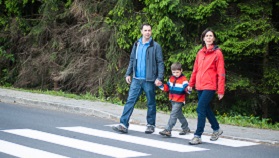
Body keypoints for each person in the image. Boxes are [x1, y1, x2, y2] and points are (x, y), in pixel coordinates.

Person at [112, 23, 164, 134]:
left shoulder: (155, 46)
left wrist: (159, 77)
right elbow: (132, 60)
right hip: (136, 79)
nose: (147, 32)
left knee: (151, 102)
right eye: (145, 30)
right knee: (130, 101)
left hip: (149, 80)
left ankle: (150, 125)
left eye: (149, 30)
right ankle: (123, 124)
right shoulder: (137, 44)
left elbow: (160, 62)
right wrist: (128, 74)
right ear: (141, 31)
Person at [188, 28, 225, 145]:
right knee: (206, 108)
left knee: (200, 108)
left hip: (210, 85)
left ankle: (198, 135)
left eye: (211, 36)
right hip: (200, 85)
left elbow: (221, 72)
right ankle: (216, 129)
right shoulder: (200, 53)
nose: (209, 38)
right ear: (203, 38)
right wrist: (190, 84)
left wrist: (221, 90)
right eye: (207, 36)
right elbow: (195, 70)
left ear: (213, 38)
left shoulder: (217, 53)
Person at [157, 62, 191, 137]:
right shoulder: (171, 78)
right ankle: (186, 128)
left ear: (181, 70)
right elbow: (167, 88)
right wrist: (161, 85)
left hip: (179, 100)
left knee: (173, 114)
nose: (175, 74)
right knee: (179, 115)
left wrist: (188, 89)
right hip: (172, 99)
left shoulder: (184, 79)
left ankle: (168, 130)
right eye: (173, 72)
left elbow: (186, 89)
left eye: (177, 72)